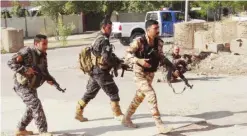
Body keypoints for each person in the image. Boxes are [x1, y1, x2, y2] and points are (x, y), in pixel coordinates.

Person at [121, 20, 173, 134]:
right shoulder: (139, 41)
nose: (158, 31)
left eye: (158, 28)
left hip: (150, 73)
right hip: (139, 73)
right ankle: (159, 125)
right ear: (148, 30)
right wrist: (138, 60)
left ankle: (126, 118)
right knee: (150, 94)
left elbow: (161, 56)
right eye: (155, 28)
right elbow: (127, 54)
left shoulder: (159, 42)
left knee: (140, 96)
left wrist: (171, 67)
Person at [75, 19, 124, 122]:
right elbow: (106, 58)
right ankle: (117, 113)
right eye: (109, 28)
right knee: (113, 91)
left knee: (90, 93)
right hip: (101, 72)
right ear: (103, 27)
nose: (110, 30)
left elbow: (102, 55)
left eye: (111, 28)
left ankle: (78, 112)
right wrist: (117, 64)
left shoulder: (98, 38)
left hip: (94, 71)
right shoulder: (104, 40)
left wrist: (117, 60)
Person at [7, 34, 56, 136]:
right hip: (21, 85)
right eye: (44, 44)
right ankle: (43, 131)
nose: (46, 46)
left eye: (47, 44)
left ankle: (20, 129)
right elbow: (10, 62)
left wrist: (49, 79)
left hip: (32, 85)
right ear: (36, 44)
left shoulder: (43, 54)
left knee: (31, 108)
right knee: (36, 104)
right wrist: (25, 70)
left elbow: (44, 70)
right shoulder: (26, 51)